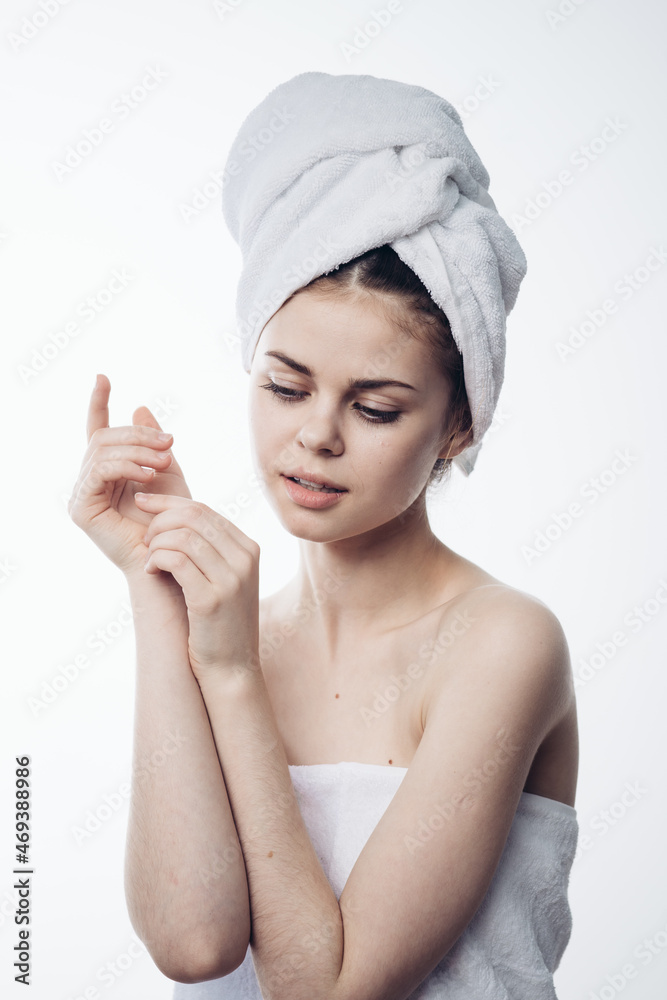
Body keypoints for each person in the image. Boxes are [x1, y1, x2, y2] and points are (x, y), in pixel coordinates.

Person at [68, 74, 579, 1000]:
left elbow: (328, 992)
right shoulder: (229, 628)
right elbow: (193, 944)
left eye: (375, 407)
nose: (317, 436)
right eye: (286, 386)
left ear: (458, 428)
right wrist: (155, 584)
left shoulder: (503, 642)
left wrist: (228, 678)